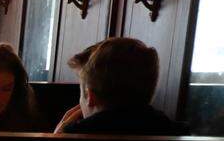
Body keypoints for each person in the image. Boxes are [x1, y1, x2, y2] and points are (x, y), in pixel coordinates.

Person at [54, 37, 189, 135]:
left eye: (81, 93)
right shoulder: (176, 132)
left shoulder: (74, 136)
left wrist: (55, 139)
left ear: (90, 96)